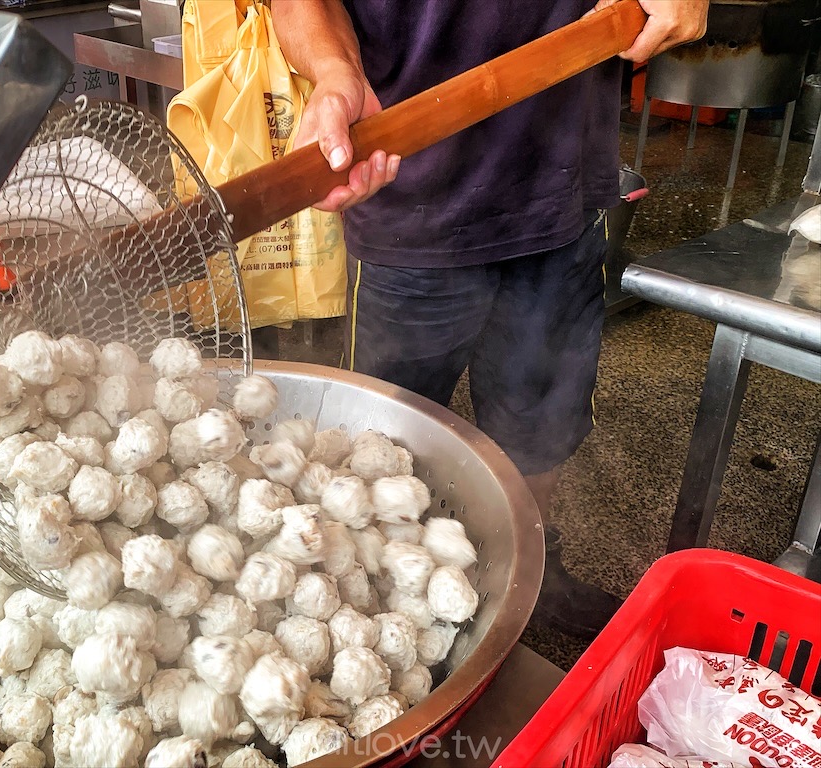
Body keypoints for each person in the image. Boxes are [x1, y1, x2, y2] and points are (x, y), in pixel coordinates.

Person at [271, 0, 708, 639]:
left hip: (561, 197)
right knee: (380, 457)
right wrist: (336, 73)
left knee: (539, 432)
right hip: (407, 202)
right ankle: (381, 616)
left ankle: (530, 580)